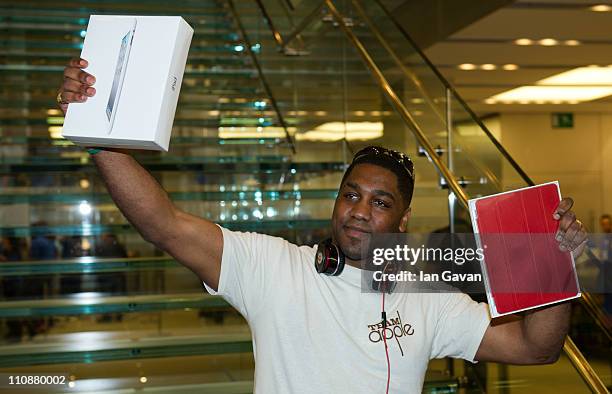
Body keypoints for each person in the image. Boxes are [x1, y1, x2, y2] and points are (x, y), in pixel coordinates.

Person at [56, 57, 588, 393]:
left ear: (402, 221)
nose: (359, 210)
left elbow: (534, 349)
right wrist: (96, 133)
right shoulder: (272, 267)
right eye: (351, 195)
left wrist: (554, 266)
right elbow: (163, 224)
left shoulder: (429, 299)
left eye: (379, 202)